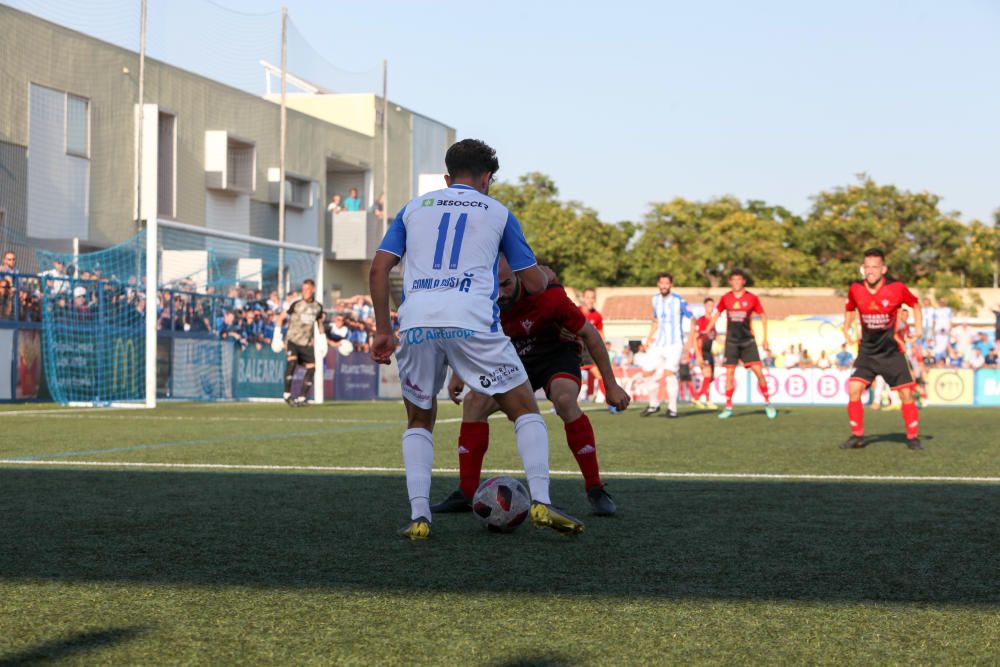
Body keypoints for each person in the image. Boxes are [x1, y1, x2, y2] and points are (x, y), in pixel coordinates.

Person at [369, 138, 584, 540]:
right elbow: (533, 282)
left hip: (416, 323)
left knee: (419, 419)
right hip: (471, 319)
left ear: (448, 177)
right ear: (487, 179)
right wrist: (545, 276)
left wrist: (384, 329)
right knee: (524, 409)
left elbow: (379, 270)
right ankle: (541, 498)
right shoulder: (498, 212)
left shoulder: (413, 208)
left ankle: (420, 517)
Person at [432, 259, 629, 516]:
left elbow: (591, 334)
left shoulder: (549, 296)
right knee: (474, 403)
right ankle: (466, 493)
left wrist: (611, 385)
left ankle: (595, 487)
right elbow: (472, 335)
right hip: (514, 360)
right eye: (495, 286)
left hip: (555, 355)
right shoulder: (483, 300)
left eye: (506, 284)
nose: (501, 293)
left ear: (519, 277)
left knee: (565, 400)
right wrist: (458, 373)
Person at [840, 248, 924, 451]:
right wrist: (846, 327)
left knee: (906, 395)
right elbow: (850, 308)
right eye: (867, 267)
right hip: (867, 352)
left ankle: (912, 437)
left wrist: (919, 329)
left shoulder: (897, 288)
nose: (870, 271)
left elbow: (915, 304)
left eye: (875, 267)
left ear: (883, 269)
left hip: (891, 352)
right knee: (854, 390)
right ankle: (857, 436)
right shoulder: (855, 288)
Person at [702, 268, 776, 420]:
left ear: (743, 281)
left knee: (759, 373)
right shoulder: (725, 298)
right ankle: (728, 407)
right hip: (732, 342)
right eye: (733, 280)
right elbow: (716, 315)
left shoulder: (752, 298)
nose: (736, 282)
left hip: (748, 341)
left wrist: (765, 338)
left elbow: (763, 316)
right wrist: (707, 329)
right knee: (729, 375)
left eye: (739, 280)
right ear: (730, 282)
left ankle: (768, 403)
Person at [639, 272, 693, 418]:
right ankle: (654, 404)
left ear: (670, 285)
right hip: (658, 343)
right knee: (646, 373)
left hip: (675, 344)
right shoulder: (655, 299)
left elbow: (691, 318)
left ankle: (673, 409)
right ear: (658, 284)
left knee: (669, 374)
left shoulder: (679, 300)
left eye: (666, 283)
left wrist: (690, 342)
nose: (664, 286)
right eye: (661, 283)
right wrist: (649, 337)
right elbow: (656, 320)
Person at [277, 279, 325, 407]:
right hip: (292, 339)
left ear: (313, 290)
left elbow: (320, 323)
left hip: (306, 343)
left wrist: (323, 339)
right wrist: (277, 335)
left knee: (312, 368)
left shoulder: (318, 307)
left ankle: (302, 398)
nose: (305, 292)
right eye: (303, 289)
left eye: (308, 289)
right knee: (292, 363)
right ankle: (287, 394)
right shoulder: (296, 303)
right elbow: (282, 317)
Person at [691, 297, 718, 409]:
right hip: (702, 352)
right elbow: (695, 338)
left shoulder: (712, 322)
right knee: (707, 375)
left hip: (709, 352)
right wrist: (698, 354)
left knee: (710, 378)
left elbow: (714, 336)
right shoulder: (701, 320)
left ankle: (707, 400)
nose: (710, 308)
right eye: (708, 305)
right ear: (705, 306)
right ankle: (696, 397)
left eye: (712, 306)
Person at [578, 287, 604, 401]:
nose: (590, 300)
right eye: (587, 297)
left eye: (592, 298)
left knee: (600, 375)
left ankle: (611, 404)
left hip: (588, 351)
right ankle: (558, 405)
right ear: (583, 298)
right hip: (575, 348)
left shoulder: (597, 316)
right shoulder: (575, 311)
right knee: (569, 378)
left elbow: (601, 332)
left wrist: (603, 347)